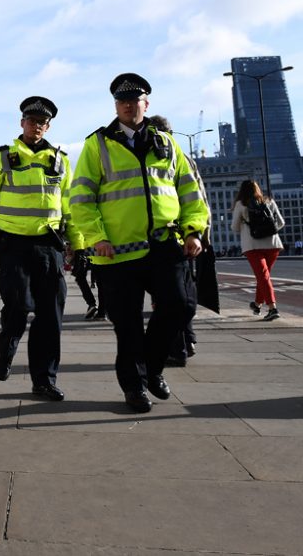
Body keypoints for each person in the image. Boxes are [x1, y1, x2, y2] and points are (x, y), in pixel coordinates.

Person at [71, 74, 209, 413]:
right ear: (116, 105)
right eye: (123, 101)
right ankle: (134, 387)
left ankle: (152, 368)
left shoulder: (166, 143)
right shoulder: (97, 144)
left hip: (164, 244)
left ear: (147, 104)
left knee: (181, 306)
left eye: (136, 100)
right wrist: (96, 238)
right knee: (128, 325)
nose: (129, 105)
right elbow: (81, 198)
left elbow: (190, 191)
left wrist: (193, 230)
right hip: (116, 253)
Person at [0, 96, 84, 401]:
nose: (37, 127)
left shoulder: (61, 160)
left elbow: (71, 207)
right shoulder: (1, 158)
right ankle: (7, 347)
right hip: (13, 245)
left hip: (49, 246)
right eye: (32, 121)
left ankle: (44, 380)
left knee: (50, 316)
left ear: (48, 127)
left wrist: (80, 246)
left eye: (43, 123)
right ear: (22, 123)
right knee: (18, 305)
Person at [147, 115, 203, 367]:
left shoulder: (175, 156)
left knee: (176, 298)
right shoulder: (175, 156)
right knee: (179, 296)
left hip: (176, 239)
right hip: (176, 239)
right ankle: (184, 342)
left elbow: (194, 197)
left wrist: (196, 233)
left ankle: (178, 345)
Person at [231, 179, 286, 321]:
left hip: (252, 245)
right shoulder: (269, 201)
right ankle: (257, 304)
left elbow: (235, 227)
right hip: (273, 244)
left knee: (263, 276)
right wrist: (268, 231)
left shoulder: (241, 204)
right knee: (264, 276)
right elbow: (281, 222)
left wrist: (251, 227)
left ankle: (273, 308)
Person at [70, 250, 100, 320]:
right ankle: (101, 310)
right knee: (100, 279)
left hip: (83, 250)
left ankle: (92, 304)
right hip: (93, 250)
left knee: (80, 277)